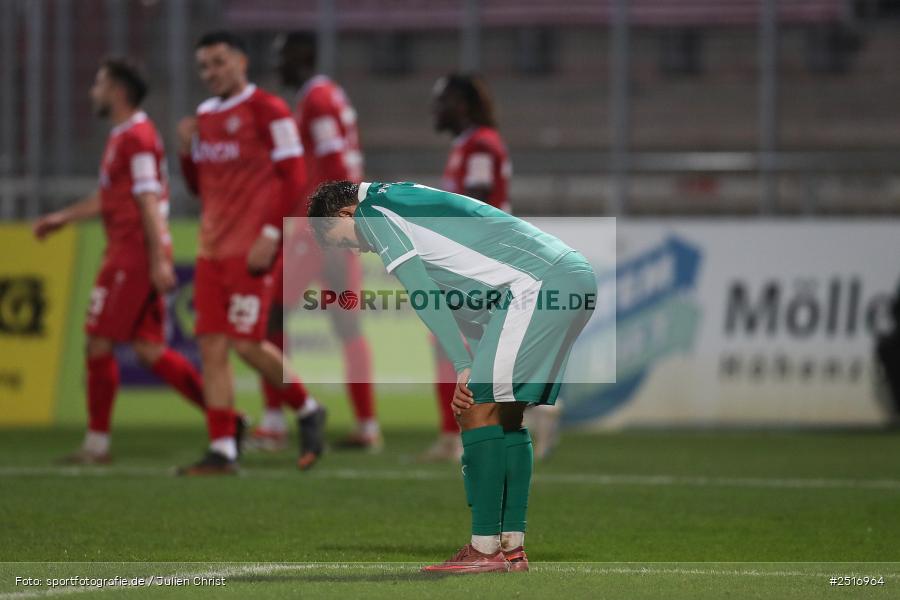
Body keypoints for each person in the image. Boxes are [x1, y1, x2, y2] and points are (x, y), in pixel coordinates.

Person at [309, 181, 597, 573]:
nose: (356, 249)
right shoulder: (403, 199)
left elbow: (422, 292)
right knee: (507, 417)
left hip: (535, 286)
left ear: (343, 214)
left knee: (476, 411)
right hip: (568, 278)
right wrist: (474, 361)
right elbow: (474, 299)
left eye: (343, 241)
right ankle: (511, 548)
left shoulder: (372, 212)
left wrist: (462, 365)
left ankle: (484, 550)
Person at [33, 58, 210, 463]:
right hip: (133, 249)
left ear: (117, 91)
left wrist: (158, 259)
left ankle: (96, 444)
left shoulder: (138, 137)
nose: (93, 92)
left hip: (132, 253)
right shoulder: (124, 137)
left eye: (99, 84)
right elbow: (113, 198)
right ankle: (224, 415)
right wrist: (61, 218)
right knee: (148, 349)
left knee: (98, 342)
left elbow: (148, 200)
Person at [176, 31, 325, 475]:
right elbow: (198, 186)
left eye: (219, 62)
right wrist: (186, 153)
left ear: (241, 61)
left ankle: (307, 406)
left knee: (245, 344)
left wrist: (270, 233)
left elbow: (294, 173)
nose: (212, 73)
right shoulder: (203, 116)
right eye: (204, 66)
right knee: (211, 345)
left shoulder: (269, 109)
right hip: (210, 249)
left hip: (251, 249)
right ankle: (222, 448)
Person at [247, 32, 379, 452]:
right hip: (342, 224)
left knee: (270, 320)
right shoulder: (329, 94)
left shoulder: (316, 100)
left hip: (320, 228)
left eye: (282, 56)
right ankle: (367, 426)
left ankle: (273, 422)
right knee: (346, 325)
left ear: (302, 56)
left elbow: (337, 163)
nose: (277, 65)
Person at [422, 74, 513, 462]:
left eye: (441, 101)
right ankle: (453, 435)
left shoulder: (480, 145)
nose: (435, 110)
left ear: (460, 104)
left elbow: (477, 203)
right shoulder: (468, 145)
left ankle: (464, 435)